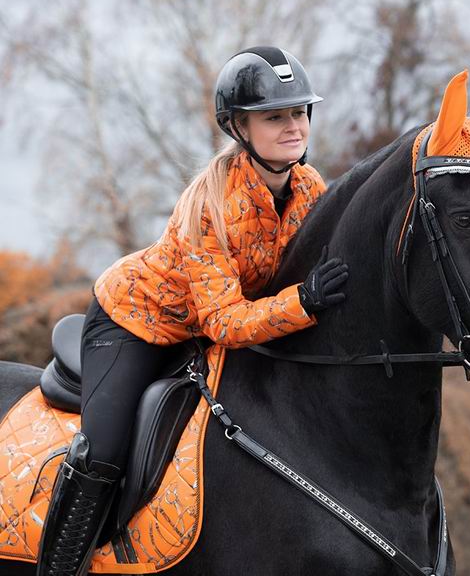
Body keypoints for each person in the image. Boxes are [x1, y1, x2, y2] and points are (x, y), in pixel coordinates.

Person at [35, 46, 349, 576]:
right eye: (275, 116)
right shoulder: (211, 204)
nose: (293, 126)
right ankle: (60, 565)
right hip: (134, 321)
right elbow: (224, 321)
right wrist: (305, 300)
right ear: (239, 127)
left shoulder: (310, 188)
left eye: (299, 112)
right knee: (103, 449)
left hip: (206, 329)